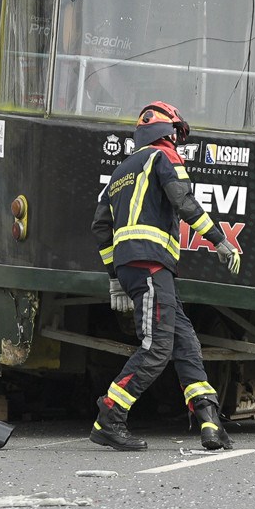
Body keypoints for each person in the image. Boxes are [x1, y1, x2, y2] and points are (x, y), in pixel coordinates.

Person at [89, 101, 243, 452]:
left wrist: (115, 275)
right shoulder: (162, 157)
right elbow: (183, 200)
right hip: (152, 266)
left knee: (183, 340)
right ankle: (109, 417)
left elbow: (100, 227)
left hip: (137, 269)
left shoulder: (121, 171)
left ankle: (209, 421)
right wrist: (218, 240)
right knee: (156, 347)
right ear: (166, 133)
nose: (177, 141)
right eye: (176, 134)